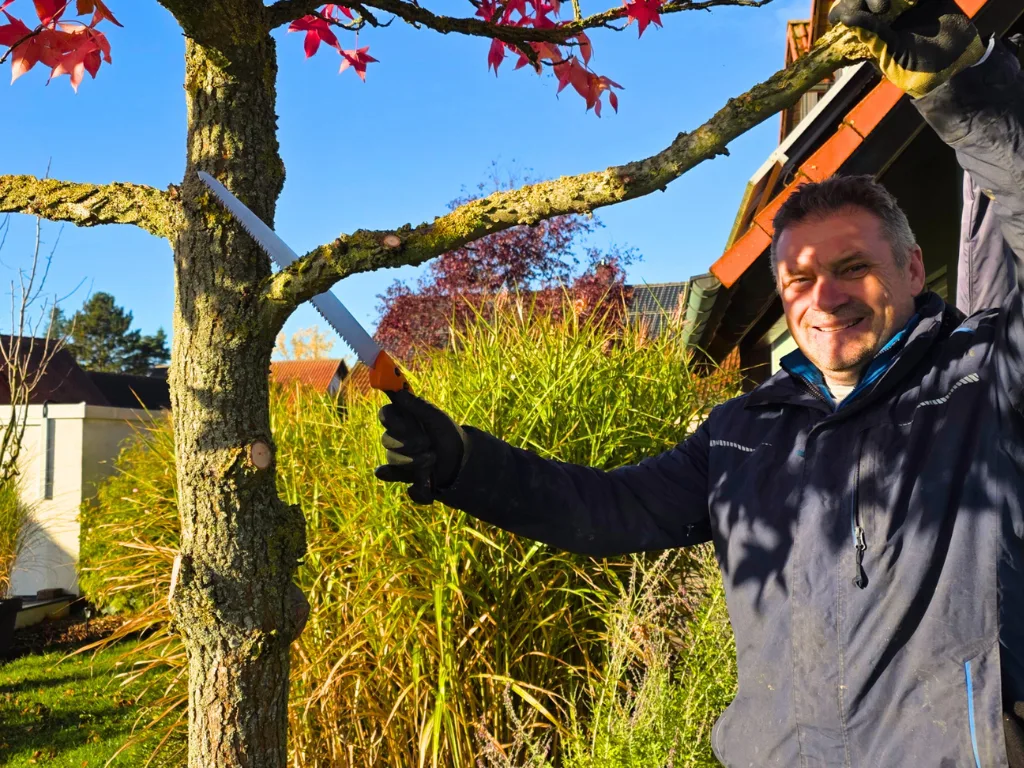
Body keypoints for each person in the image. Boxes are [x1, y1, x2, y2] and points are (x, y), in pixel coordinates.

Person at [375, 1, 1024, 764]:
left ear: (912, 268)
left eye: (854, 268)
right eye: (800, 280)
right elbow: (611, 513)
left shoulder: (986, 378)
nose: (825, 298)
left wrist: (964, 90)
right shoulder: (743, 430)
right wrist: (465, 466)